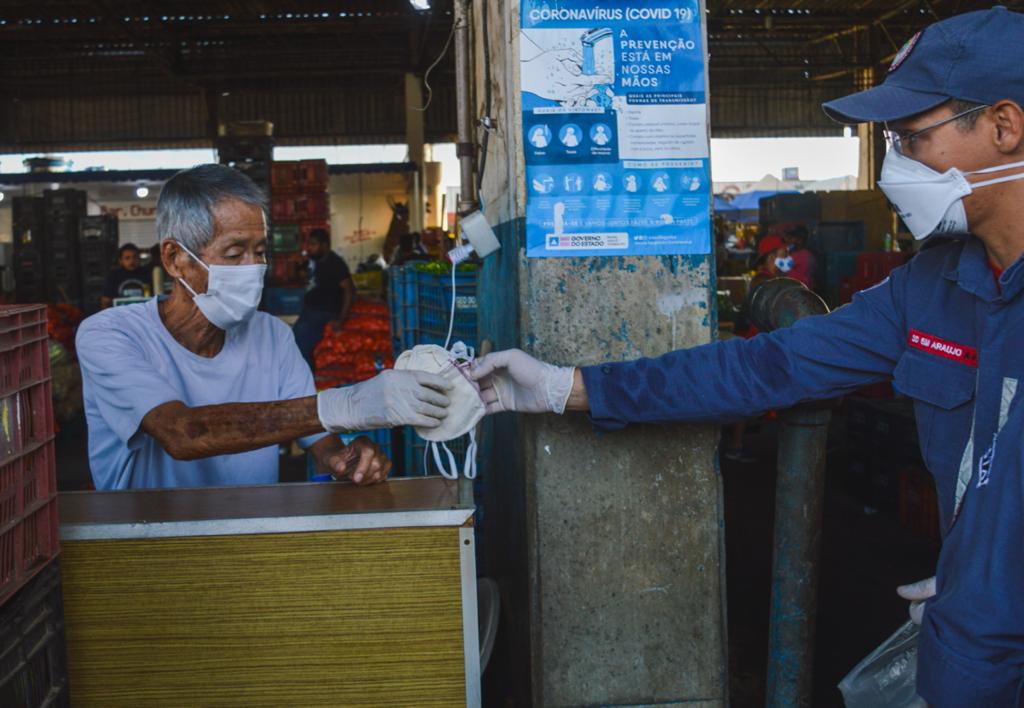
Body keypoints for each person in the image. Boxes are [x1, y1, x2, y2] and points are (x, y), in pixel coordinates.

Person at [472, 8, 1024, 706]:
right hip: (967, 658)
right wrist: (565, 388)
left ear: (1005, 126)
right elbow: (766, 367)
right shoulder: (933, 286)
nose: (897, 164)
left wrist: (987, 582)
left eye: (913, 138)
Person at [76, 164, 451, 490]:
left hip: (252, 539)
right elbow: (181, 432)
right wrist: (348, 403)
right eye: (235, 253)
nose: (254, 268)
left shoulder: (273, 337)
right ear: (175, 259)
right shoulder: (110, 336)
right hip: (143, 548)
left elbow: (320, 443)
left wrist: (348, 460)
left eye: (260, 252)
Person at [293, 228, 355, 369]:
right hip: (310, 311)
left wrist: (341, 319)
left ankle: (306, 381)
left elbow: (349, 291)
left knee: (300, 342)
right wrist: (298, 266)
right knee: (294, 341)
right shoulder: (314, 261)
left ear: (325, 245)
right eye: (309, 244)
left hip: (324, 313)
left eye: (313, 244)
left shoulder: (335, 264)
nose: (309, 248)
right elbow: (303, 279)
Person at [100, 243, 149, 308]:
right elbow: (105, 301)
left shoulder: (146, 274)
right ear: (120, 260)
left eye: (135, 257)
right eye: (127, 258)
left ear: (139, 258)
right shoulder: (113, 276)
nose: (132, 261)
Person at [782, 224, 817, 290]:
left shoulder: (803, 255)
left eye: (790, 238)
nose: (787, 240)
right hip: (796, 292)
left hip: (798, 293)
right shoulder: (800, 253)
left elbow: (779, 269)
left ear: (800, 239)